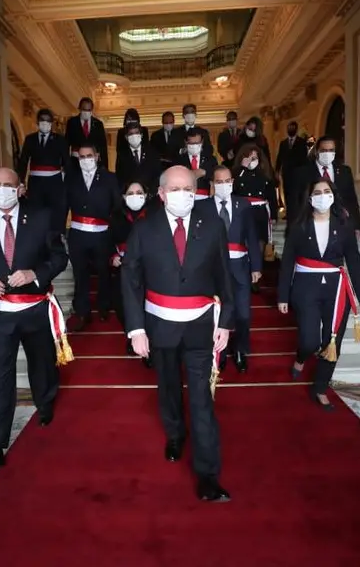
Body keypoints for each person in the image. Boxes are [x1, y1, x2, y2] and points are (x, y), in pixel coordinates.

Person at [121, 166, 234, 502]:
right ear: (161, 193)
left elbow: (225, 276)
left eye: (189, 187)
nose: (183, 193)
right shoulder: (143, 229)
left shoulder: (212, 225)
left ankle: (208, 474)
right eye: (175, 188)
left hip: (200, 325)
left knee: (202, 399)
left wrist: (225, 321)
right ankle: (174, 433)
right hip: (160, 325)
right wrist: (136, 329)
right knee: (168, 384)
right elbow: (130, 279)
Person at [0, 167, 69, 467]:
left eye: (8, 185)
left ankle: (45, 404)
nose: (2, 190)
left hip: (34, 308)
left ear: (20, 188)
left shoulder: (41, 216)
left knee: (42, 363)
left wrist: (36, 273)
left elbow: (59, 257)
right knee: (0, 376)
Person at [276, 177, 360, 411]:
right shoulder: (299, 225)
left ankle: (320, 388)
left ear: (333, 195)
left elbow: (354, 260)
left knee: (332, 341)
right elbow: (287, 261)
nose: (322, 196)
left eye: (326, 191)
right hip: (305, 286)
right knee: (309, 340)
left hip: (336, 289)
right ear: (310, 198)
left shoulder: (344, 224)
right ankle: (301, 357)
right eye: (317, 192)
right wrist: (282, 296)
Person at [210, 166, 262, 373]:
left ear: (232, 182)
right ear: (213, 185)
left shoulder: (243, 205)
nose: (224, 185)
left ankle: (239, 349)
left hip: (240, 266)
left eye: (227, 181)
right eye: (219, 182)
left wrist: (256, 266)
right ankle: (219, 352)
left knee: (242, 314)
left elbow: (251, 236)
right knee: (218, 312)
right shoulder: (203, 206)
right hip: (213, 268)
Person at [64, 143, 120, 332]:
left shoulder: (109, 178)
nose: (85, 160)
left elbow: (117, 205)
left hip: (102, 232)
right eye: (81, 157)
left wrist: (114, 229)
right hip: (78, 233)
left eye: (89, 155)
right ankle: (82, 312)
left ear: (96, 156)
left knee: (104, 271)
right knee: (80, 274)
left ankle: (103, 307)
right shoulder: (71, 178)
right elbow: (63, 204)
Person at [108, 179, 153, 367]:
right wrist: (113, 257)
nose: (135, 197)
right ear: (124, 197)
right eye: (131, 193)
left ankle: (150, 345)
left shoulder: (154, 214)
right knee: (123, 302)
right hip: (124, 266)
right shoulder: (116, 216)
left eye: (139, 192)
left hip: (149, 267)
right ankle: (132, 333)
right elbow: (107, 241)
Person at [15, 108, 69, 234]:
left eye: (48, 121)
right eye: (42, 120)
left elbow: (67, 162)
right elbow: (23, 161)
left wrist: (67, 184)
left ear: (52, 123)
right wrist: (21, 181)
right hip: (36, 182)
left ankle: (56, 241)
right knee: (35, 212)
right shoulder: (30, 139)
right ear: (38, 122)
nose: (45, 123)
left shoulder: (60, 140)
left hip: (54, 182)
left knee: (56, 214)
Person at [231, 143, 279, 285]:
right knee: (244, 242)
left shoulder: (264, 174)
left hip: (260, 213)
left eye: (255, 157)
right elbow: (233, 188)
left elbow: (271, 196)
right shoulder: (237, 173)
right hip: (243, 211)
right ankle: (244, 272)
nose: (252, 160)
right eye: (249, 157)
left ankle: (256, 276)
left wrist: (274, 215)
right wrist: (242, 168)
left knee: (259, 244)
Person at [308, 135, 360, 238]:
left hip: (341, 223)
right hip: (315, 223)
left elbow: (351, 199)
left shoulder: (345, 171)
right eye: (324, 150)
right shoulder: (304, 172)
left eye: (331, 150)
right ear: (317, 151)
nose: (327, 153)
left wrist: (357, 225)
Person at [275, 121, 311, 224]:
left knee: (297, 194)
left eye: (292, 127)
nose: (290, 129)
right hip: (286, 173)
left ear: (296, 128)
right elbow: (279, 158)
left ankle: (298, 214)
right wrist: (277, 170)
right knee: (287, 193)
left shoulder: (301, 142)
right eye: (289, 127)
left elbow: (304, 158)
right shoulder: (283, 143)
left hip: (298, 173)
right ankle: (289, 213)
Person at [173, 128, 218, 201]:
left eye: (197, 143)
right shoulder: (178, 160)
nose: (194, 146)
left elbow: (217, 175)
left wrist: (204, 172)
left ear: (202, 142)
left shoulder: (210, 159)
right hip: (184, 196)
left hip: (206, 197)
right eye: (191, 143)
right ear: (185, 142)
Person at [114, 121, 160, 190]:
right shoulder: (122, 155)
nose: (134, 136)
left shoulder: (151, 152)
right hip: (131, 194)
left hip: (150, 194)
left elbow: (157, 173)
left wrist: (151, 192)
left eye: (136, 133)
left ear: (141, 135)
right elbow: (120, 178)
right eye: (131, 134)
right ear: (126, 137)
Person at [65, 97, 109, 168]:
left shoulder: (98, 124)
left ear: (91, 110)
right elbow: (66, 144)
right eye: (84, 109)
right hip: (76, 162)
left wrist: (105, 167)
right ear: (79, 109)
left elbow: (103, 146)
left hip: (94, 162)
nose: (86, 112)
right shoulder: (72, 122)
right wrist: (65, 164)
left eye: (89, 110)